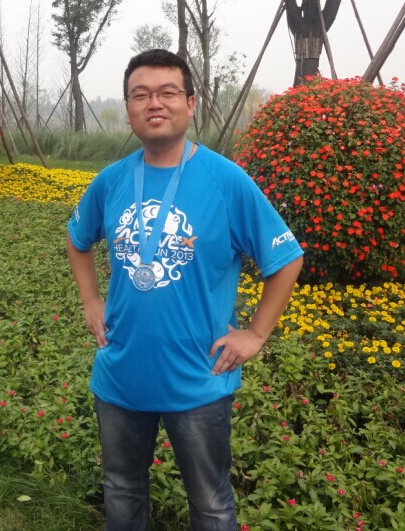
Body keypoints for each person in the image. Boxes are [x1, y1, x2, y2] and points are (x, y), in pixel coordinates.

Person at [66, 48, 304, 531]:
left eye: (168, 92)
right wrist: (90, 300)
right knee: (122, 490)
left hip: (199, 378)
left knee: (211, 503)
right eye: (140, 95)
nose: (154, 103)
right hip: (120, 374)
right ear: (128, 108)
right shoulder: (111, 181)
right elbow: (78, 239)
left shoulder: (226, 181)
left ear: (190, 103)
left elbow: (286, 258)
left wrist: (256, 334)